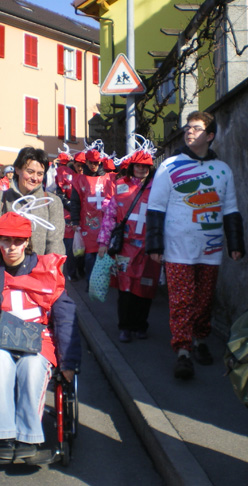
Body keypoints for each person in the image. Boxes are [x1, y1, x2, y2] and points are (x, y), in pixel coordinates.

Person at [0, 210, 81, 460]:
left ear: (27, 242)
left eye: (17, 241)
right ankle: (2, 433)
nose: (11, 247)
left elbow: (66, 319)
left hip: (39, 341)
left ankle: (28, 435)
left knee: (32, 366)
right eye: (5, 241)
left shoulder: (47, 273)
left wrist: (69, 363)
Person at [146, 110, 245, 380]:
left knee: (203, 301)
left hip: (210, 248)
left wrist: (235, 243)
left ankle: (200, 339)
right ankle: (183, 352)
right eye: (188, 127)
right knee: (181, 301)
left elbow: (231, 209)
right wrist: (155, 244)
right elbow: (155, 207)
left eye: (197, 128)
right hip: (177, 248)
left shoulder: (223, 170)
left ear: (210, 136)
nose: (190, 131)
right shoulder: (169, 166)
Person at [97, 137, 161, 343]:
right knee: (125, 289)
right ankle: (124, 326)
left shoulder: (158, 189)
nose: (141, 170)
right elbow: (109, 217)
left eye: (146, 167)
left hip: (149, 249)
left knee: (146, 289)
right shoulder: (120, 187)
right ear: (132, 167)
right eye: (138, 166)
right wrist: (103, 242)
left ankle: (140, 325)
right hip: (125, 248)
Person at [0, 147, 65, 256]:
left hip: (40, 270)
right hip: (5, 270)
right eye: (30, 172)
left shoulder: (52, 202)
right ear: (17, 169)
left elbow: (55, 244)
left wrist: (48, 270)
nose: (35, 178)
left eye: (40, 174)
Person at [70, 141, 115, 286]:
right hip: (87, 223)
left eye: (96, 163)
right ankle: (90, 282)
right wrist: (75, 221)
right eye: (91, 162)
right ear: (86, 162)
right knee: (89, 255)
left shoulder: (108, 179)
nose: (94, 165)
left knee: (103, 253)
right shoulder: (79, 180)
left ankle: (101, 282)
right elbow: (75, 203)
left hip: (104, 222)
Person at [53, 147, 81, 281]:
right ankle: (71, 272)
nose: (80, 168)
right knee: (70, 245)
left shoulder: (87, 176)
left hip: (82, 215)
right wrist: (70, 206)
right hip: (68, 214)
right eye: (78, 165)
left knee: (79, 245)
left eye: (83, 165)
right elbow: (60, 193)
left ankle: (77, 270)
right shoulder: (64, 174)